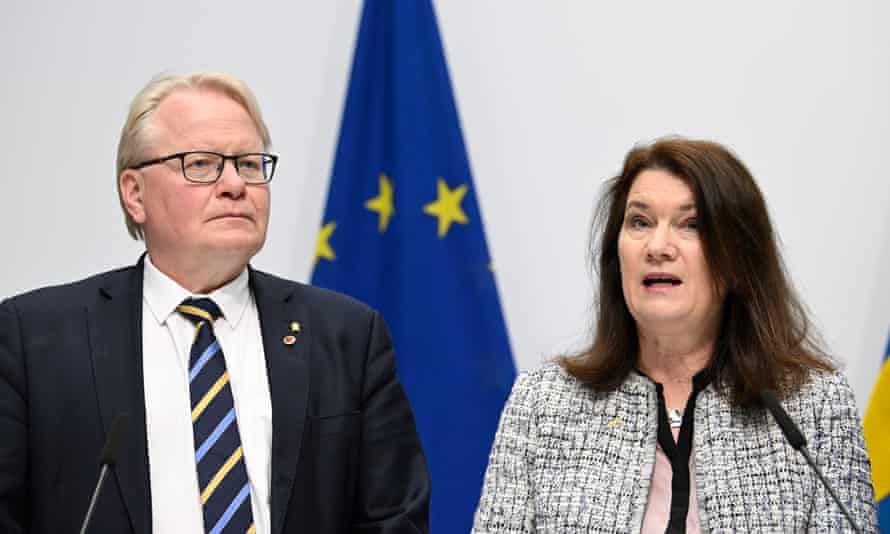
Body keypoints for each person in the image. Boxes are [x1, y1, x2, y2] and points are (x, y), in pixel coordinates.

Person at [0, 72, 430, 533]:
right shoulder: (34, 340)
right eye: (201, 164)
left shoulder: (346, 335)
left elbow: (394, 519)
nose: (234, 184)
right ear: (134, 193)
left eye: (248, 164)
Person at [472, 137, 877, 533]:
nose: (658, 246)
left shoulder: (815, 408)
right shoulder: (543, 405)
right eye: (640, 222)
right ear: (617, 256)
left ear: (738, 260)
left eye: (691, 225)